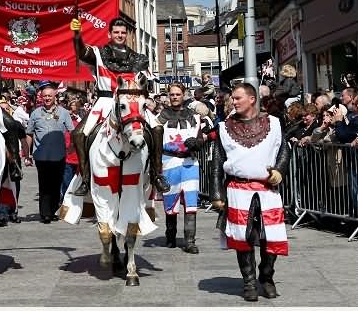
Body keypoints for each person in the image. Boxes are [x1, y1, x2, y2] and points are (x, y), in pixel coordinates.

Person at [210, 82, 290, 302]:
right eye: (232, 99)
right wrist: (216, 193)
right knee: (243, 239)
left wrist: (280, 171)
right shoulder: (224, 127)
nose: (232, 102)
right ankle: (249, 282)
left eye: (237, 98)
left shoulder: (274, 123)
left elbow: (284, 149)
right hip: (238, 190)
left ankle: (267, 276)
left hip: (267, 189)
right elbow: (217, 162)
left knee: (270, 238)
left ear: (252, 99)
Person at [69, 17, 167, 196]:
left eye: (123, 32)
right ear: (109, 34)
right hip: (106, 101)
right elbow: (82, 52)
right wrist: (77, 35)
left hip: (131, 102)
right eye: (116, 32)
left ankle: (156, 174)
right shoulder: (99, 53)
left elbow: (144, 84)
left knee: (157, 129)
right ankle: (85, 178)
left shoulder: (138, 58)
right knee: (78, 133)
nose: (120, 35)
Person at [156, 83, 204, 254]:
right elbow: (154, 142)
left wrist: (197, 143)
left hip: (189, 163)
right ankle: (171, 235)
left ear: (184, 95)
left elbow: (201, 139)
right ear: (168, 96)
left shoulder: (194, 117)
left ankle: (190, 241)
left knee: (191, 203)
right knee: (171, 203)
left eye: (178, 94)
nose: (175, 97)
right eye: (172, 94)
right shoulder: (159, 118)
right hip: (169, 161)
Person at [25, 81, 74, 223]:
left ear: (55, 97)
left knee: (56, 184)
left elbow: (72, 131)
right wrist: (27, 153)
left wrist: (71, 147)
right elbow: (29, 133)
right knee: (44, 184)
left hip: (59, 155)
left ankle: (52, 210)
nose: (47, 98)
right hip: (41, 156)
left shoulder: (64, 113)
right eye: (44, 96)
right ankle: (45, 213)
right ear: (41, 97)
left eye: (49, 96)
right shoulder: (35, 113)